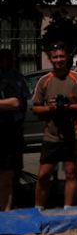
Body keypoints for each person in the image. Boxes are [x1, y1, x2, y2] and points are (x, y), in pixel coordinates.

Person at [31, 43, 77, 211]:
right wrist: (49, 108)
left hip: (75, 133)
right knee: (44, 174)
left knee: (71, 172)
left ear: (67, 58)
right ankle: (38, 208)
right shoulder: (44, 81)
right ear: (49, 59)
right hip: (52, 134)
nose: (59, 60)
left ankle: (68, 209)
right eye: (55, 57)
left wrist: (70, 107)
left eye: (61, 56)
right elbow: (35, 107)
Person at [0, 48, 27, 211]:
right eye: (9, 58)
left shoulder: (15, 77)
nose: (12, 61)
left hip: (12, 126)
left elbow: (18, 103)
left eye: (13, 58)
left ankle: (12, 204)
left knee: (12, 169)